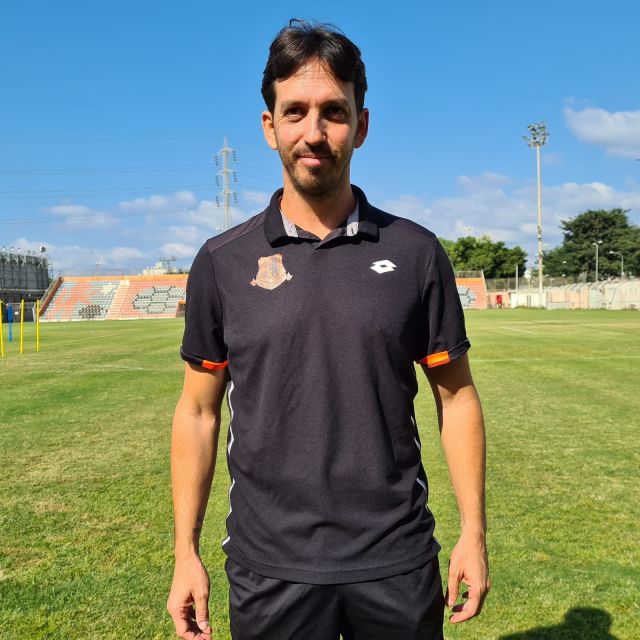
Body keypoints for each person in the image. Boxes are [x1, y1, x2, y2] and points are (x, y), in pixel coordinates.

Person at [167, 19, 489, 640]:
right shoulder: (222, 260)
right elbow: (198, 413)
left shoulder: (416, 253)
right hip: (269, 566)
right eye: (295, 112)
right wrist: (186, 552)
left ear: (361, 125)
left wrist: (473, 534)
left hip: (395, 560)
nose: (313, 133)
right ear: (270, 127)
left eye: (333, 112)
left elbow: (457, 399)